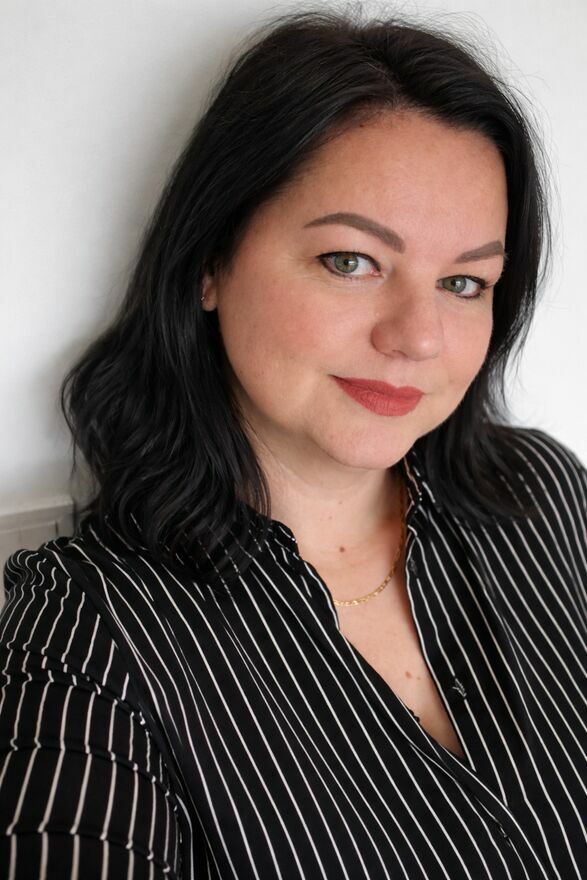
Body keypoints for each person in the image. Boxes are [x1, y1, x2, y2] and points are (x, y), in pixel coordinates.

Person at [1, 6, 586, 879]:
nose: (417, 337)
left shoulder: (546, 495)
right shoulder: (89, 635)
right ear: (210, 261)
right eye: (350, 261)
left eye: (464, 282)